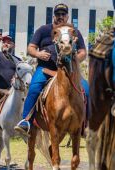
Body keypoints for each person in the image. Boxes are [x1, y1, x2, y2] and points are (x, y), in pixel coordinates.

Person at [15, 3, 89, 136]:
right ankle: (26, 121)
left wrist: (75, 60)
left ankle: (87, 124)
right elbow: (30, 47)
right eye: (58, 14)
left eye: (63, 14)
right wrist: (38, 54)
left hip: (69, 72)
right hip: (45, 70)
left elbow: (83, 52)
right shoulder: (43, 30)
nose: (60, 17)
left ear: (67, 16)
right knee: (34, 89)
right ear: (53, 15)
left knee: (87, 89)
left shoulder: (74, 32)